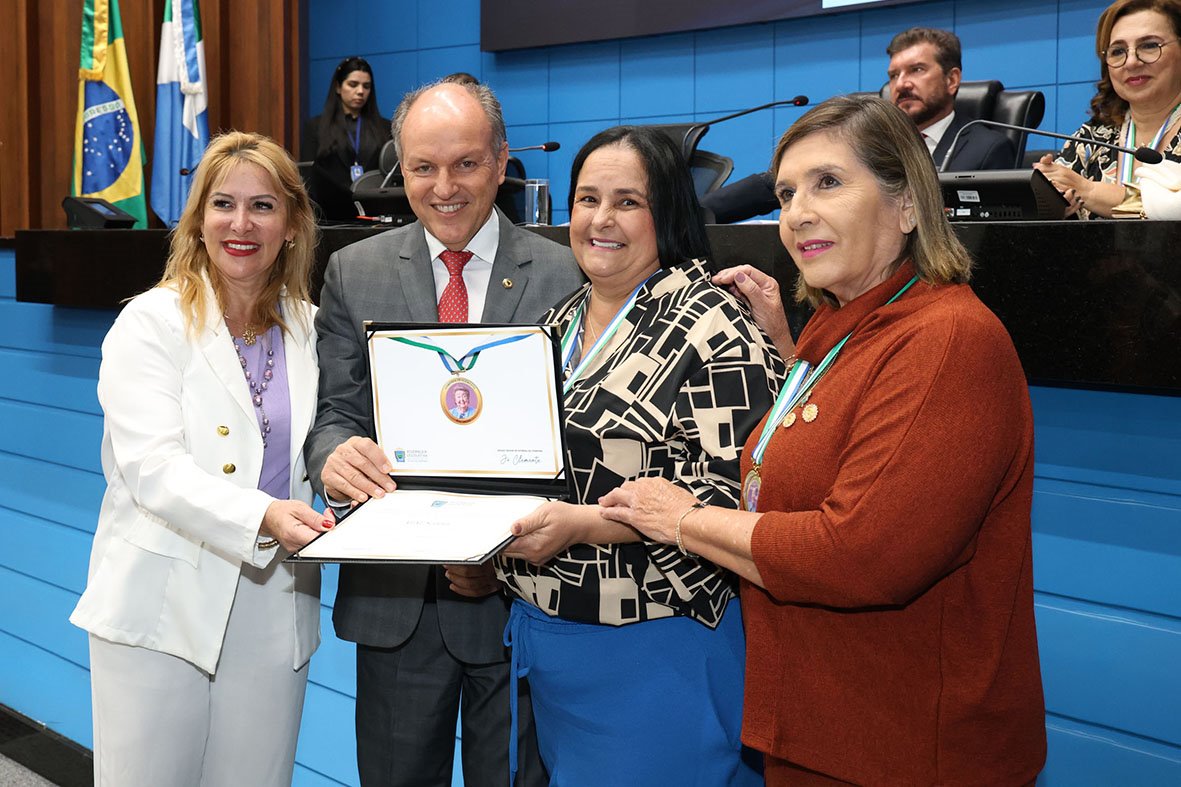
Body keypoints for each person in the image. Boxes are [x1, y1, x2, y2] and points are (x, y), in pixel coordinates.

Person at [599, 96, 1047, 785]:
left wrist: (683, 519)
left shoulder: (949, 340)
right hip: (817, 726)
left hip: (906, 748)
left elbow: (858, 556)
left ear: (907, 204)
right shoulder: (836, 327)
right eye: (785, 193)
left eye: (828, 183)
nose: (797, 213)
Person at [466, 125, 781, 786]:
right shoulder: (559, 320)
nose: (600, 219)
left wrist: (581, 525)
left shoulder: (714, 323)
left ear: (667, 212)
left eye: (627, 202)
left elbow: (731, 496)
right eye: (587, 199)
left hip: (658, 649)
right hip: (551, 642)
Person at [304, 79, 583, 787]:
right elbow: (335, 413)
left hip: (523, 598)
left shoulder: (568, 273)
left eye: (465, 164)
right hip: (398, 602)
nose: (444, 187)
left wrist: (508, 550)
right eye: (423, 168)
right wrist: (334, 456)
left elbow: (581, 439)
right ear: (401, 169)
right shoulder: (354, 271)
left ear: (501, 161)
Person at [69, 131, 331, 786]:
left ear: (292, 225)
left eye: (263, 206)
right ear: (198, 220)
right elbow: (152, 470)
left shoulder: (313, 327)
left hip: (274, 605)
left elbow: (333, 443)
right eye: (223, 204)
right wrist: (263, 514)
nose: (241, 224)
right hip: (161, 602)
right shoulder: (150, 323)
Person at [702, 27, 1016, 223]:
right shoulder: (868, 139)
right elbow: (770, 184)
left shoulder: (986, 147)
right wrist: (694, 214)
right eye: (894, 75)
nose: (901, 84)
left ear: (952, 80)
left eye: (917, 70)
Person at [1035, 0, 1181, 218]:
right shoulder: (1090, 139)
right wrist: (1050, 201)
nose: (1131, 62)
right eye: (1118, 51)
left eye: (1149, 46)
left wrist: (1089, 191)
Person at [302, 56, 392, 221]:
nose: (360, 91)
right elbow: (308, 176)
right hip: (329, 214)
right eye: (353, 84)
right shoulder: (315, 127)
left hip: (374, 212)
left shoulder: (386, 128)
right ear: (338, 87)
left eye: (366, 86)